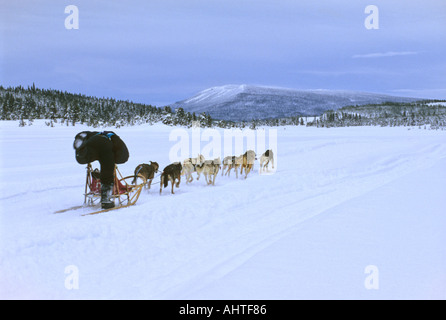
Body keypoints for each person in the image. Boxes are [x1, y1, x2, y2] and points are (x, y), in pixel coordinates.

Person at [73, 131, 129, 209]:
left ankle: (81, 152)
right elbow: (123, 155)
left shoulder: (95, 134)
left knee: (86, 156)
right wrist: (114, 160)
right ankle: (106, 199)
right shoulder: (113, 137)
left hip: (91, 143)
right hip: (105, 146)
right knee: (107, 171)